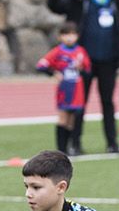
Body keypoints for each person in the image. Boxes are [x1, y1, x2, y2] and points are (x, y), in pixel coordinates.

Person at [47, 0, 119, 155]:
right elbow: (56, 6)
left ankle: (112, 142)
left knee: (108, 102)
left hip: (109, 59)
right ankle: (75, 143)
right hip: (82, 62)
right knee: (79, 103)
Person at [35, 21, 92, 156]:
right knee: (63, 118)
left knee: (73, 120)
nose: (69, 38)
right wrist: (54, 73)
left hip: (77, 90)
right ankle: (61, 149)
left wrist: (82, 69)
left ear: (77, 36)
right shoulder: (58, 51)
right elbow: (41, 65)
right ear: (60, 37)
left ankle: (72, 147)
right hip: (64, 90)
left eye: (72, 34)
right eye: (66, 34)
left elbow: (88, 69)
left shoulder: (80, 51)